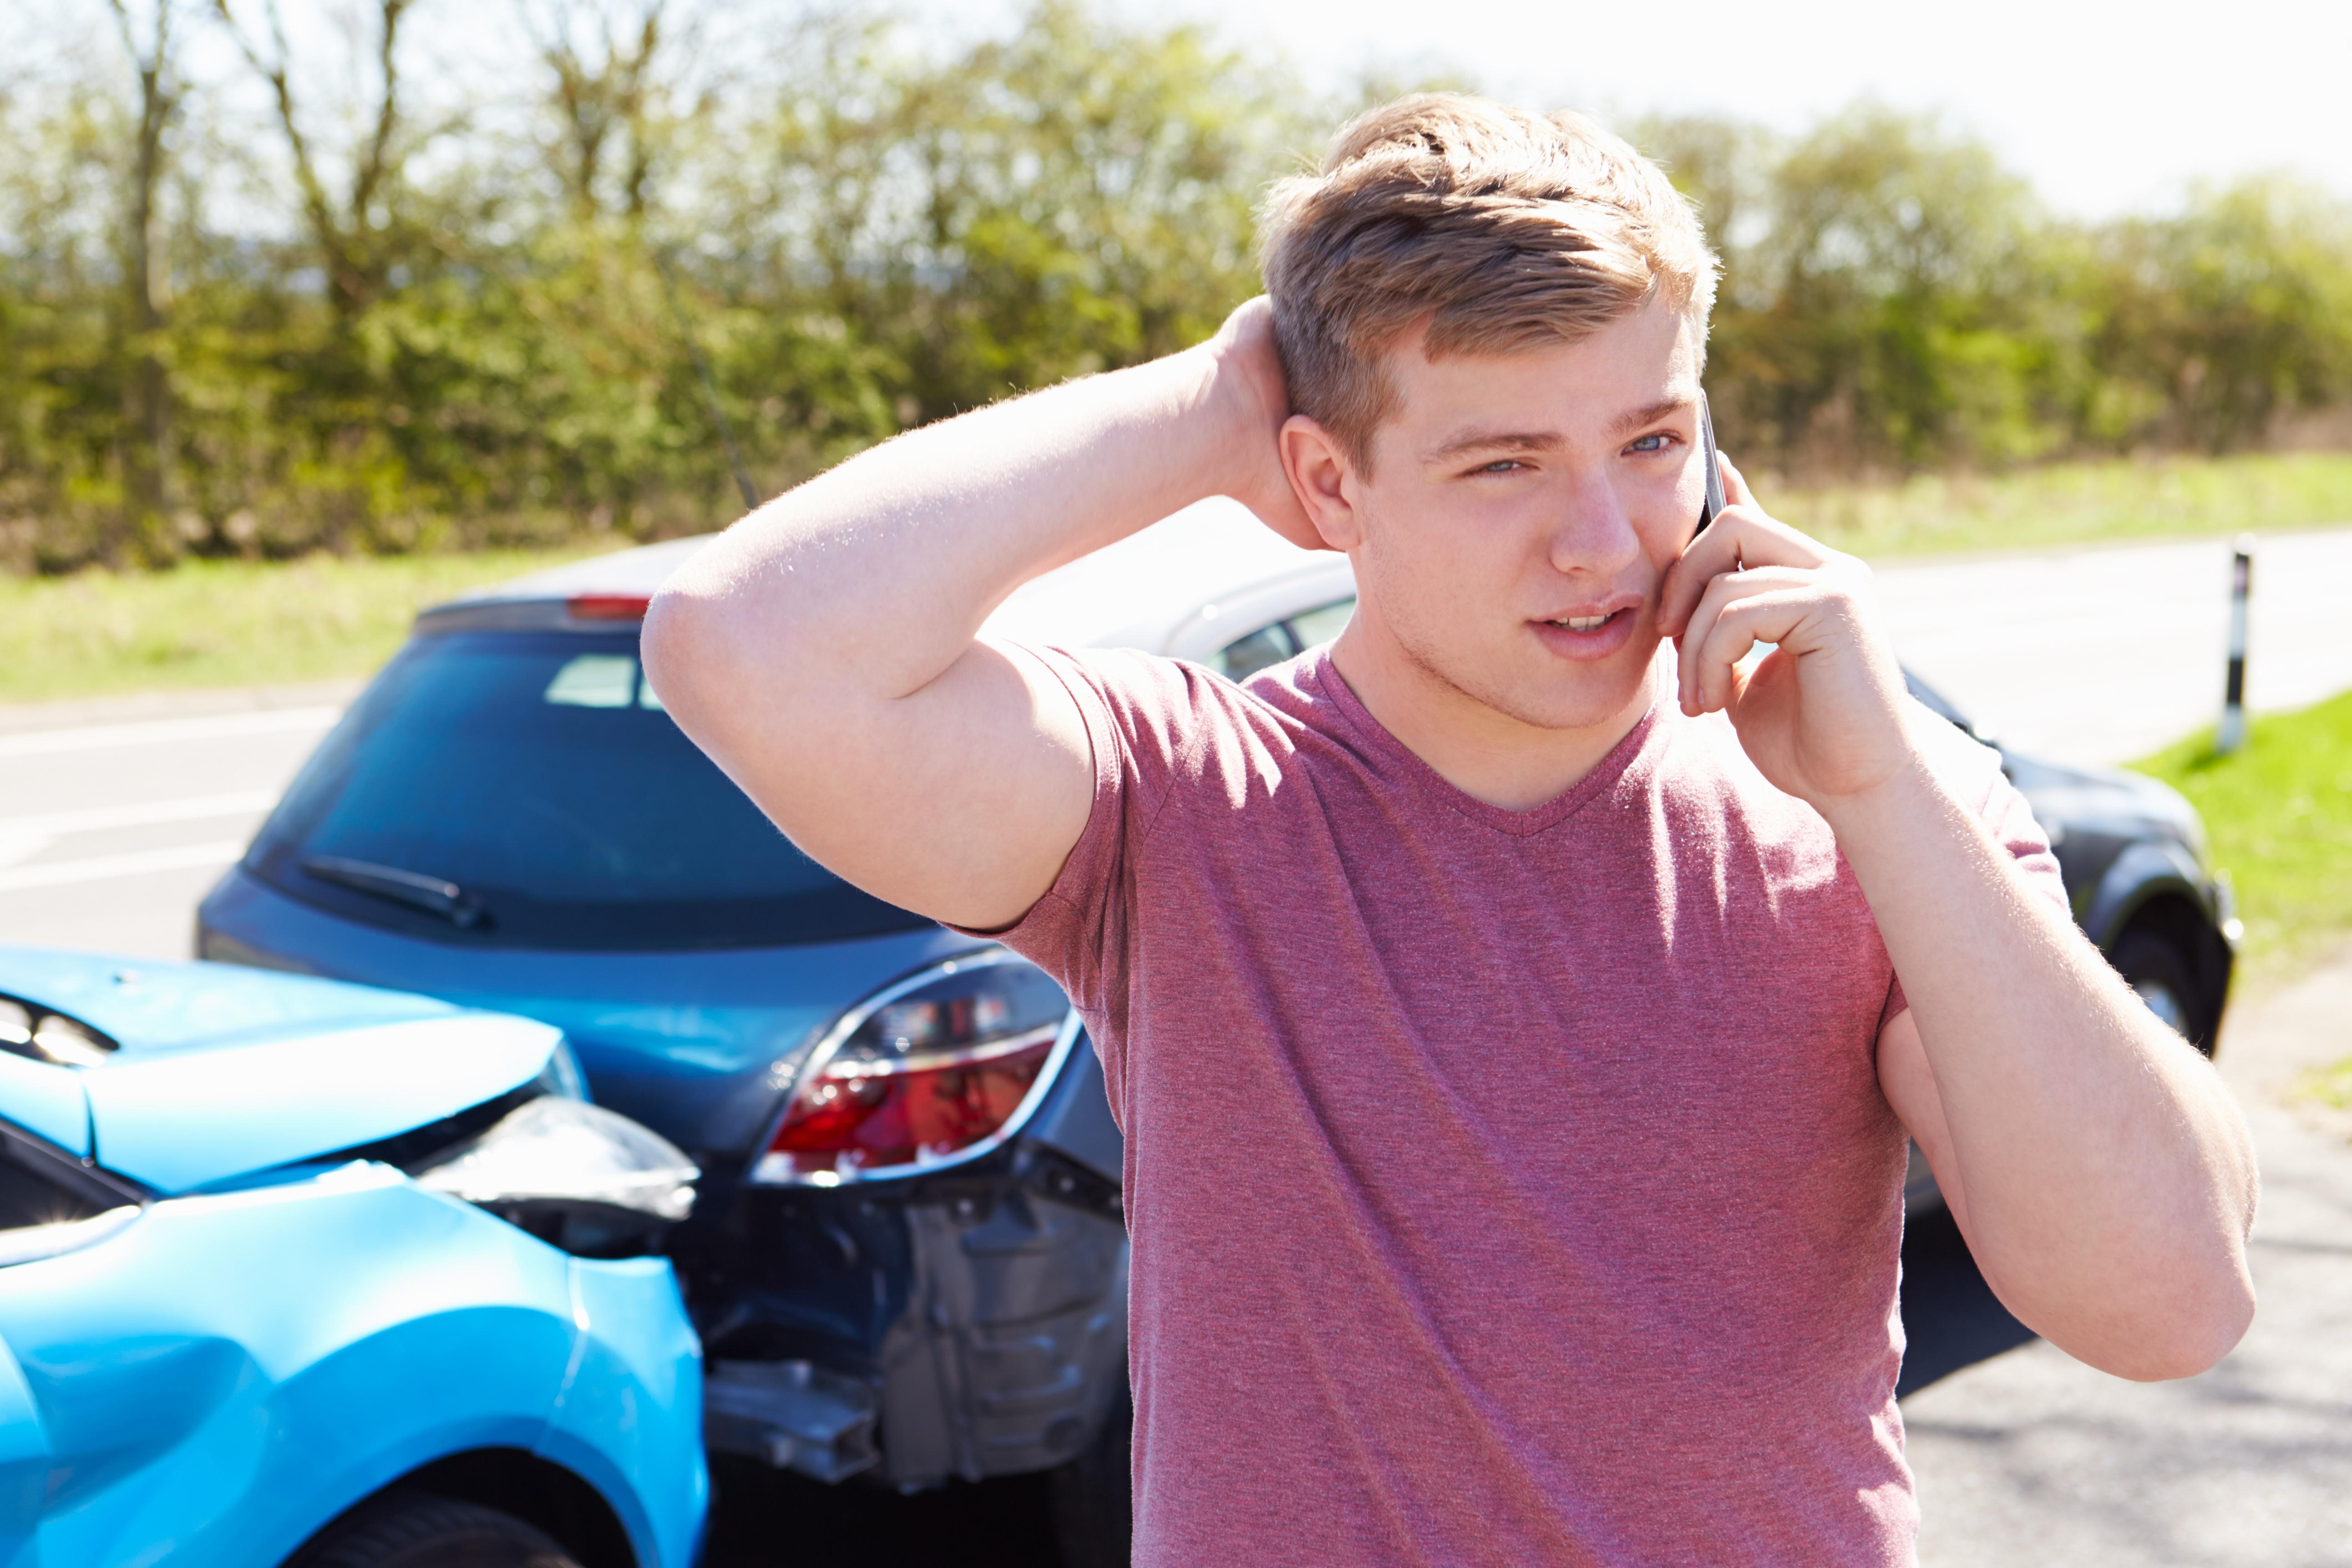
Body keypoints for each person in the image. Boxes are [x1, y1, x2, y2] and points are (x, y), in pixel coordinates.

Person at [644, 94, 2257, 1566]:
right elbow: (739, 644)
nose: (1604, 541)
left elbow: (2173, 1303)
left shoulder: (1875, 807)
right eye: (1503, 463)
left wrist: (1894, 788)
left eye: (1650, 439)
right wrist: (1216, 402)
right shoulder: (1179, 800)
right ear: (1326, 491)